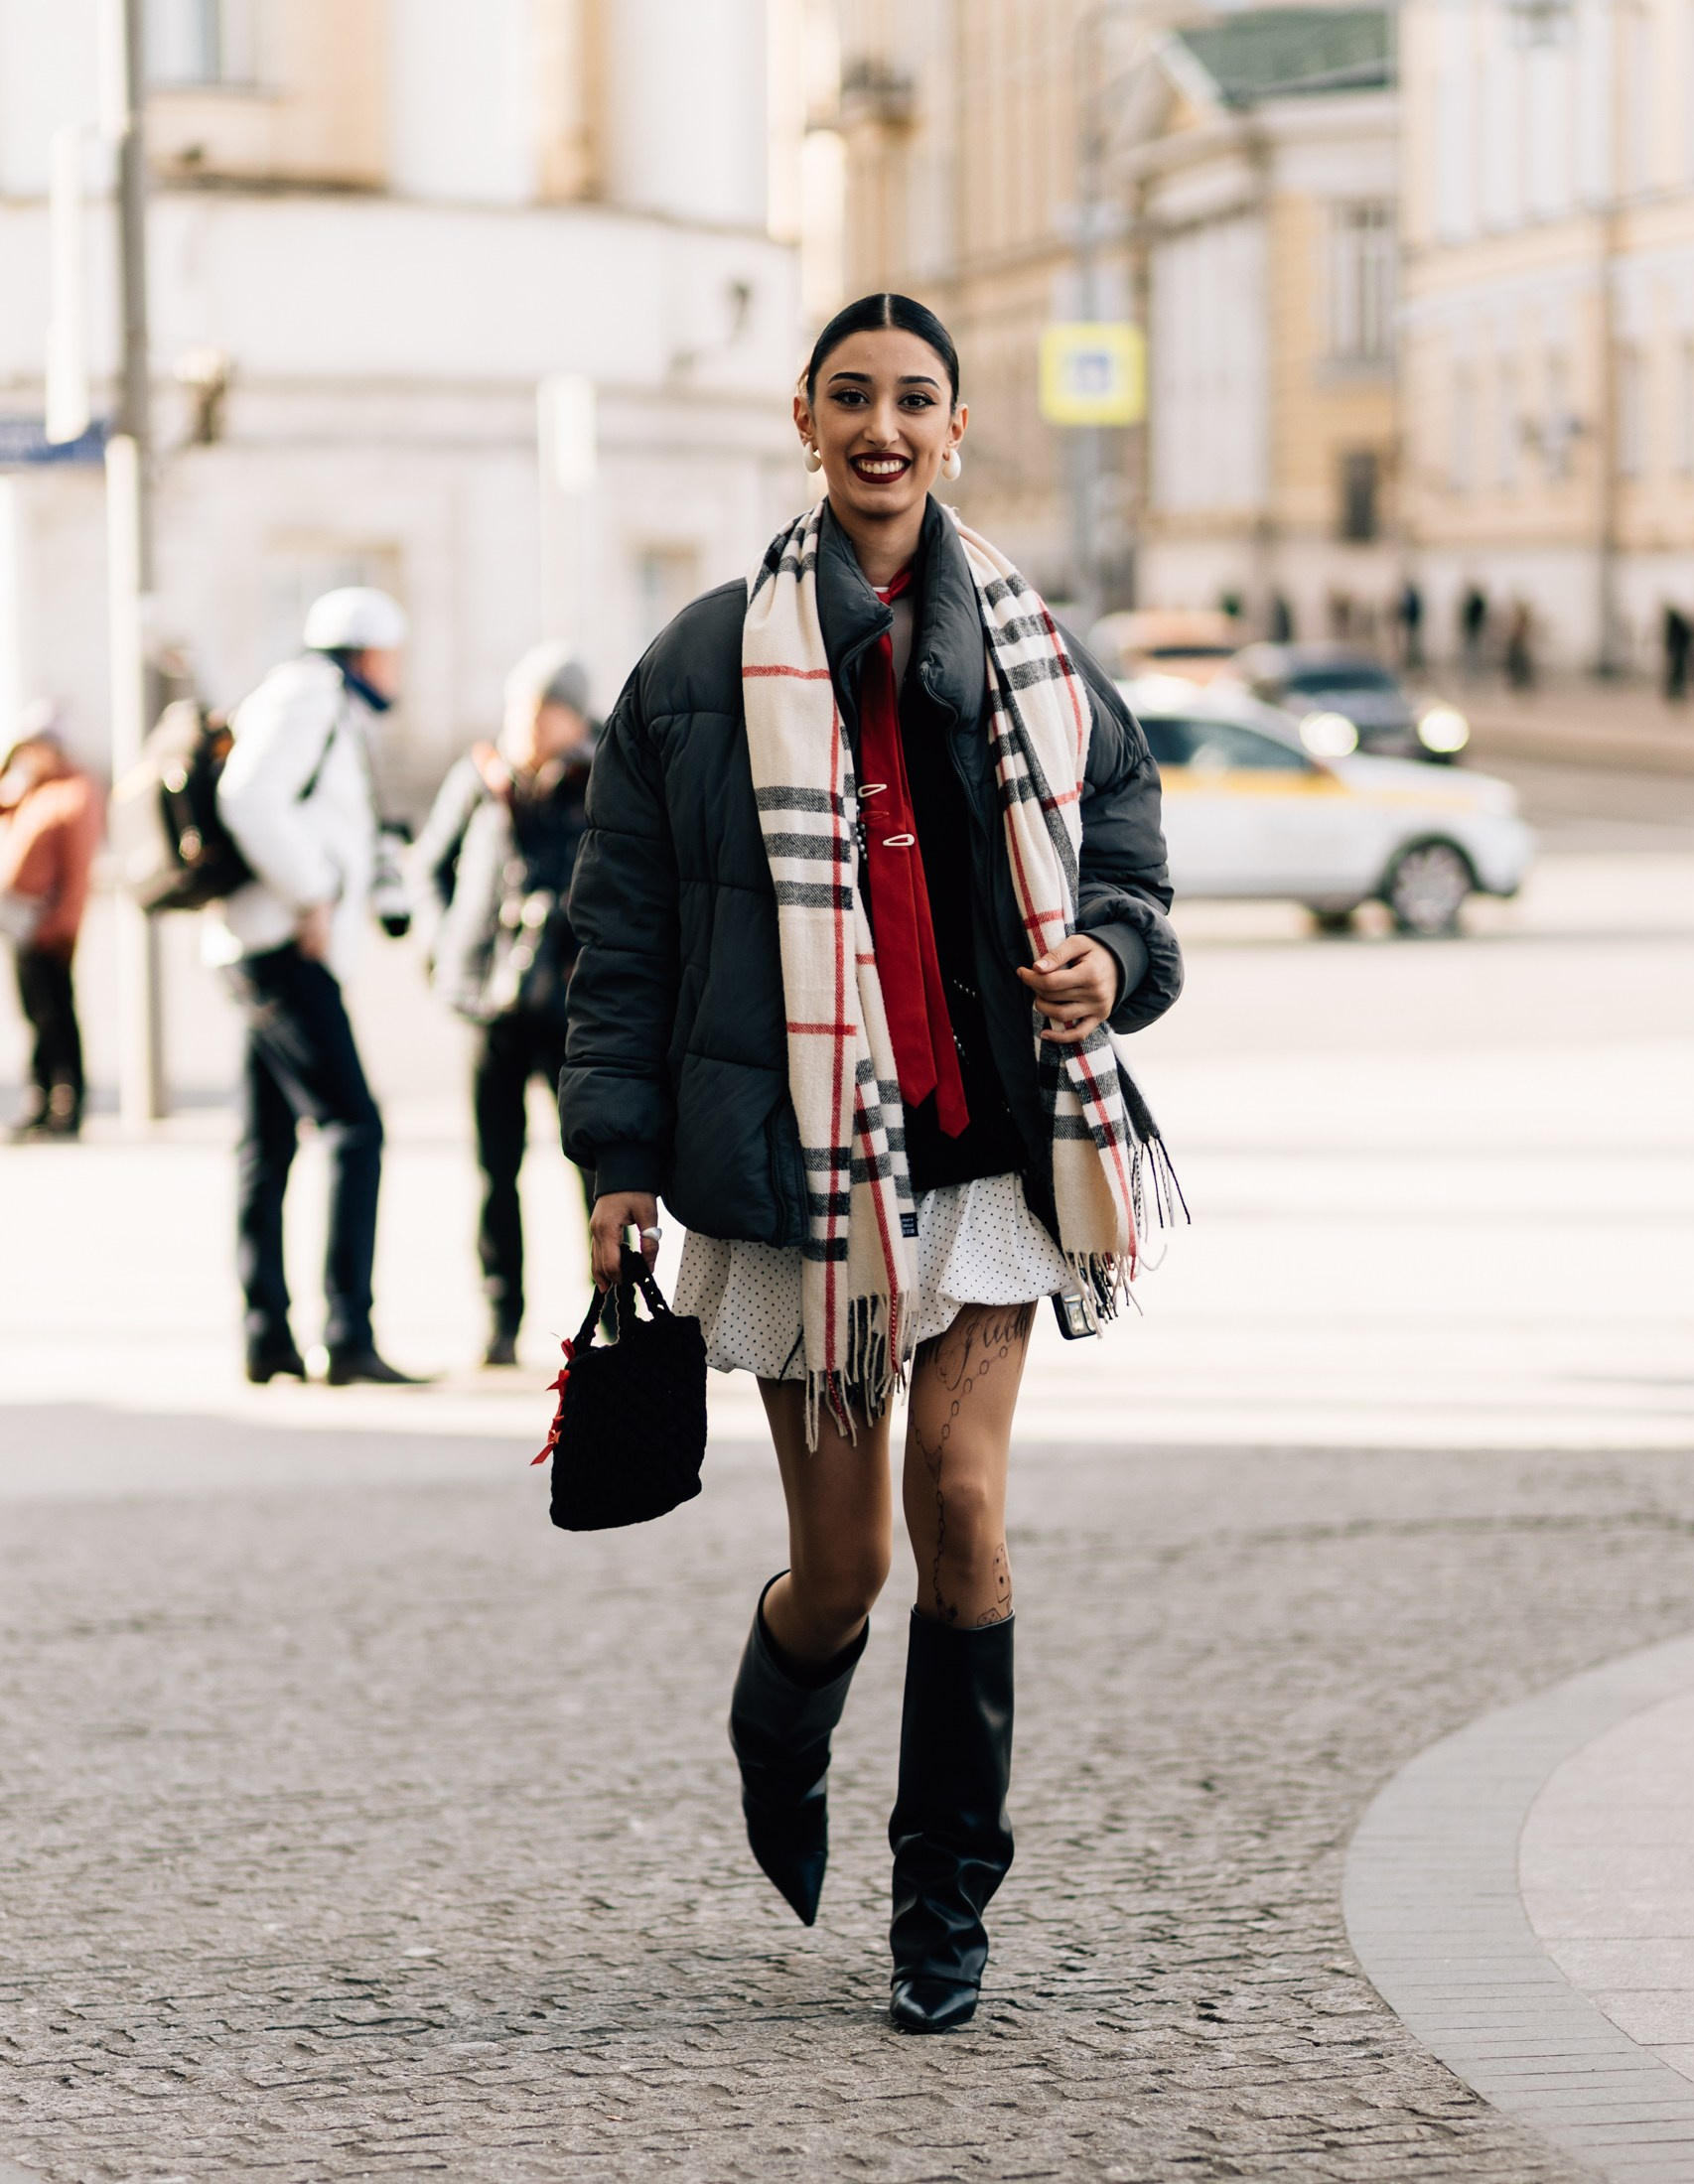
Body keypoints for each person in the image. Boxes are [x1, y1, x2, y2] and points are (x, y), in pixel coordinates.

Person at [561, 293, 1184, 2034]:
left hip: (990, 1149)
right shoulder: (697, 665)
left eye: (917, 400)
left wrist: (1111, 960)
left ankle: (943, 1904)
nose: (885, 427)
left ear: (959, 429)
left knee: (964, 1513)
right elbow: (616, 931)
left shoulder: (1038, 651)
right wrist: (615, 1151)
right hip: (799, 1168)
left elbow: (1127, 851)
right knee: (843, 1569)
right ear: (805, 419)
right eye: (854, 398)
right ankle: (781, 1728)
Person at [205, 587, 425, 1387]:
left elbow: (345, 825)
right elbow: (247, 797)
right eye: (393, 656)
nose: (398, 672)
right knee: (354, 1128)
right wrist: (311, 893)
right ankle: (347, 1335)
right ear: (365, 653)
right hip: (281, 949)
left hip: (266, 948)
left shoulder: (324, 704)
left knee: (266, 1143)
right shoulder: (307, 696)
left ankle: (268, 1337)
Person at [409, 644, 594, 1367]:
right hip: (492, 1002)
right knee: (495, 1169)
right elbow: (428, 866)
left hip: (576, 1006)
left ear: (572, 715)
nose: (526, 722)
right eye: (520, 706)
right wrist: (440, 944)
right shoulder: (480, 776)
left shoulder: (602, 775)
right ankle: (500, 1318)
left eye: (543, 709)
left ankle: (608, 1318)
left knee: (592, 1169)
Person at [0, 705, 102, 1141]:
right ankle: (41, 1098)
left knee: (56, 1015)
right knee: (35, 1015)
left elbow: (78, 871)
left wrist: (63, 925)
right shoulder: (36, 791)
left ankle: (67, 1102)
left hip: (48, 923)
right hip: (23, 921)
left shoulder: (76, 791)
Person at [1662, 604, 1693, 702]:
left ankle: (1675, 692)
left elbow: (1673, 638)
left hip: (1679, 651)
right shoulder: (1677, 622)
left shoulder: (1675, 623)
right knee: (1677, 672)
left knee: (1677, 672)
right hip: (1679, 651)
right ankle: (1674, 692)